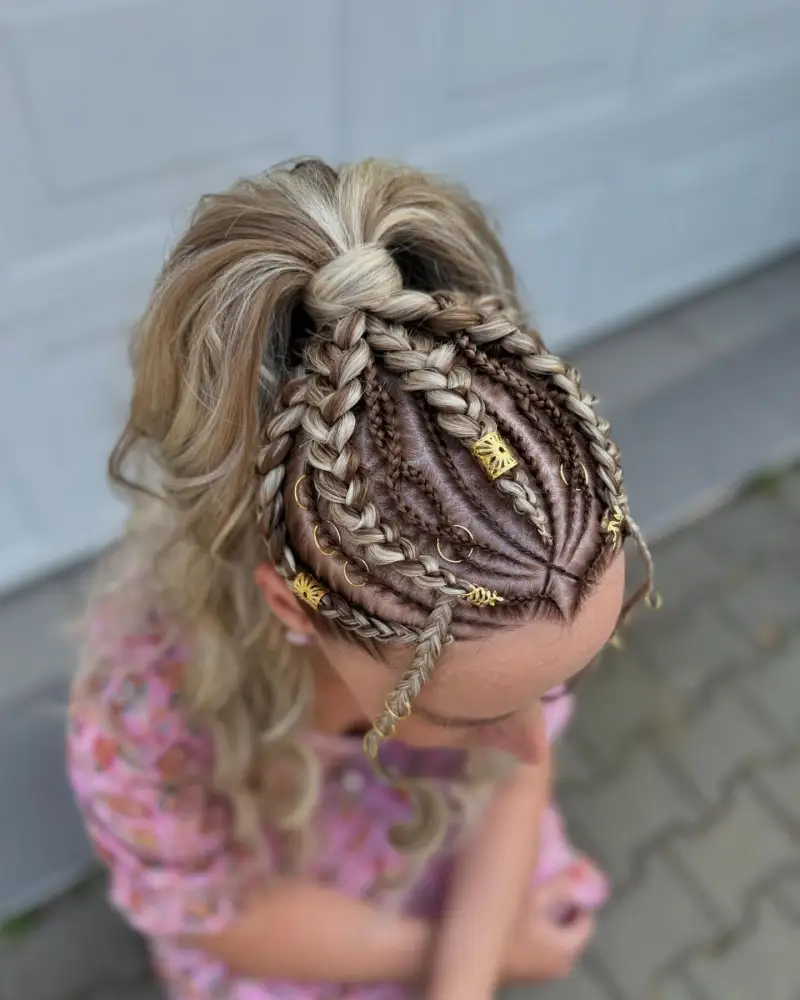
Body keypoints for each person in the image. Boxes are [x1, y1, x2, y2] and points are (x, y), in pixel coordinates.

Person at [67, 158, 656, 1000]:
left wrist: (465, 976)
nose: (538, 744)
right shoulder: (143, 718)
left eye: (564, 677)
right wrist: (479, 961)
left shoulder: (517, 582)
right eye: (475, 712)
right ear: (292, 607)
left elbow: (516, 781)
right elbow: (228, 915)